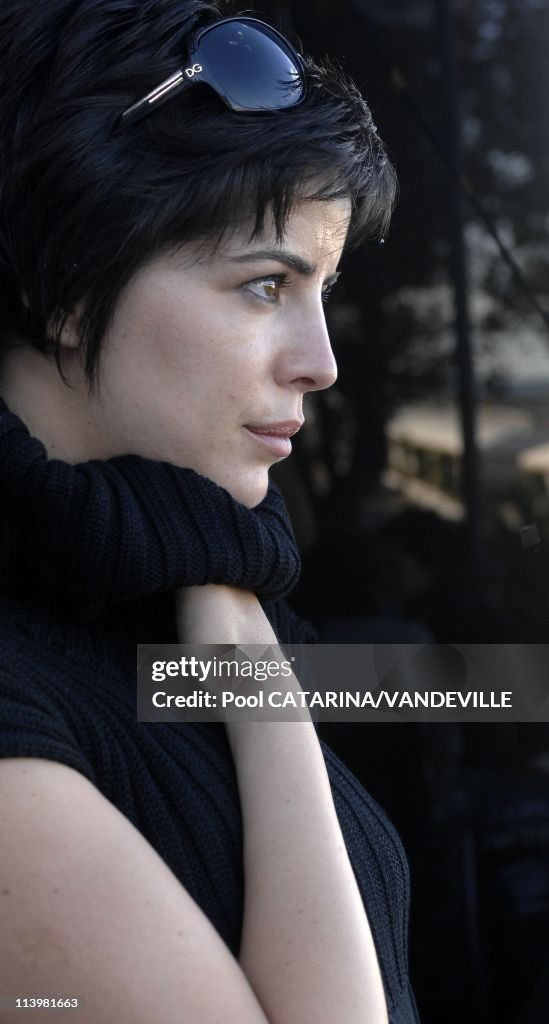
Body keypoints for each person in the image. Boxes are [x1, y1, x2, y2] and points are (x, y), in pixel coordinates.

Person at [0, 2, 419, 1022]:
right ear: (68, 283)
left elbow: (467, 687)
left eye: (321, 287)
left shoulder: (192, 598)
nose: (319, 363)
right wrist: (252, 667)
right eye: (265, 286)